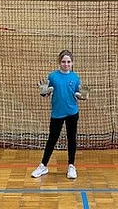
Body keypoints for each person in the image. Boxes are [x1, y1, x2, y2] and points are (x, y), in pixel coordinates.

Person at [31, 50, 88, 179]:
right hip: (57, 113)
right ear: (59, 62)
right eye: (63, 61)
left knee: (71, 139)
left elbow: (78, 94)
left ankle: (71, 166)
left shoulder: (75, 77)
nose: (66, 64)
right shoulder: (52, 76)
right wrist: (43, 92)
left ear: (72, 63)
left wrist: (83, 96)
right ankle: (43, 166)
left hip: (72, 112)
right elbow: (46, 93)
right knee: (52, 139)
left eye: (68, 62)